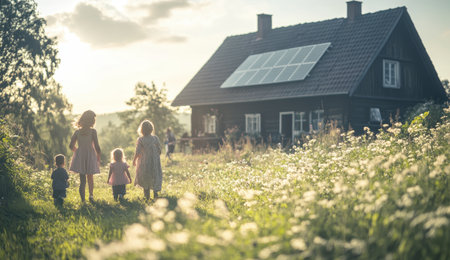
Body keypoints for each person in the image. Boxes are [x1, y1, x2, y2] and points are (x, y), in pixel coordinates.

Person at [69, 110, 101, 203]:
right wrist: (98, 156)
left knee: (82, 179)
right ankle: (91, 196)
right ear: (92, 121)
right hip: (90, 155)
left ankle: (83, 200)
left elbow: (71, 145)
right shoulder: (93, 132)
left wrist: (78, 151)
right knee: (90, 177)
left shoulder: (77, 132)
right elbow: (97, 146)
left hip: (80, 156)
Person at [133, 120, 162, 201]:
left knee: (145, 177)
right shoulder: (155, 138)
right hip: (154, 163)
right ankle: (155, 194)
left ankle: (147, 196)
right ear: (151, 129)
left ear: (141, 130)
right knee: (154, 176)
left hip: (144, 163)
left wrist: (134, 160)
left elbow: (138, 151)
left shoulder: (141, 140)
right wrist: (155, 156)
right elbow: (159, 150)